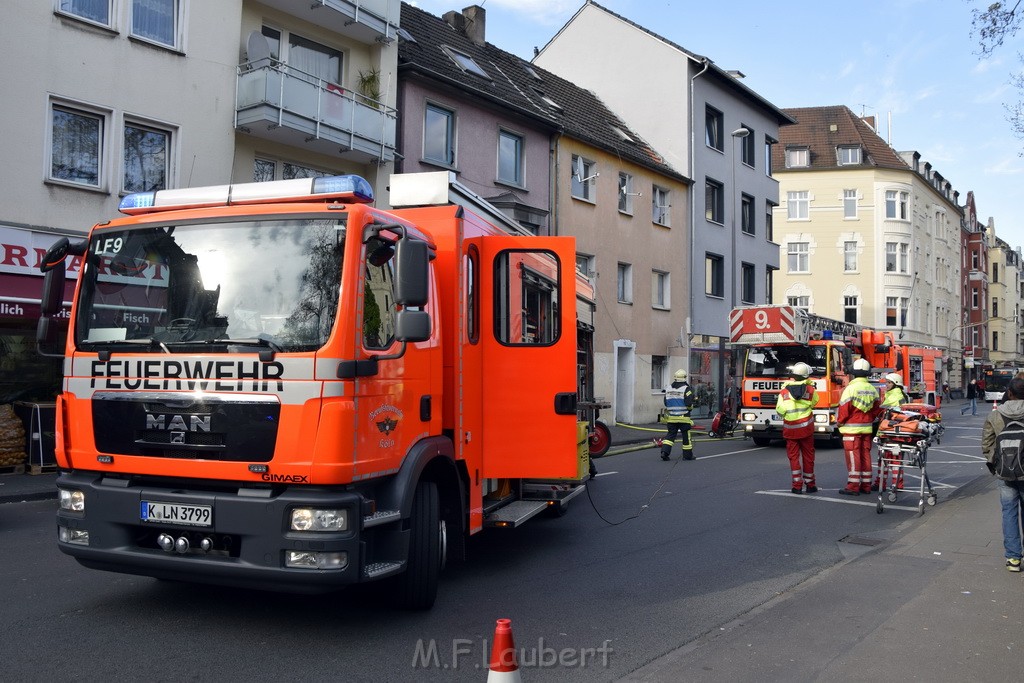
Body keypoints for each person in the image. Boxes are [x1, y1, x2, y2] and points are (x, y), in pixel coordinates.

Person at [980, 376, 1024, 572]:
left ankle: (1013, 559)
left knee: (1009, 513)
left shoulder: (995, 416)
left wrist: (995, 464)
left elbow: (987, 444)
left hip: (1004, 472)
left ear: (1010, 393)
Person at [837, 358, 881, 496]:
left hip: (851, 430)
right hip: (866, 429)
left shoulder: (850, 389)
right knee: (865, 456)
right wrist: (868, 419)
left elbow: (844, 410)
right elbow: (876, 410)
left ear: (854, 373)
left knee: (853, 457)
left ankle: (853, 486)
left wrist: (839, 422)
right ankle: (866, 485)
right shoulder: (872, 389)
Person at [775, 362, 817, 494]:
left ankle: (797, 486)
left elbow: (780, 410)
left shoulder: (784, 391)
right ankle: (810, 485)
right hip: (806, 429)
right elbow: (814, 402)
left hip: (791, 430)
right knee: (808, 456)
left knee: (793, 457)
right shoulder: (811, 390)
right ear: (806, 376)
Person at [872, 373, 910, 492]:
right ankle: (897, 484)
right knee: (896, 459)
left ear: (895, 384)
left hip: (889, 432)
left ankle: (881, 484)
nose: (886, 385)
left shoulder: (894, 396)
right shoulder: (898, 394)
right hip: (897, 432)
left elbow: (882, 412)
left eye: (889, 383)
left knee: (884, 459)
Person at [660, 369, 695, 461]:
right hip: (684, 418)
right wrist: (691, 407)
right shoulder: (687, 389)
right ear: (684, 378)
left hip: (671, 418)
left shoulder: (668, 389)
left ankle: (664, 452)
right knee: (686, 437)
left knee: (670, 435)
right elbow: (688, 403)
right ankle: (687, 456)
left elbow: (665, 403)